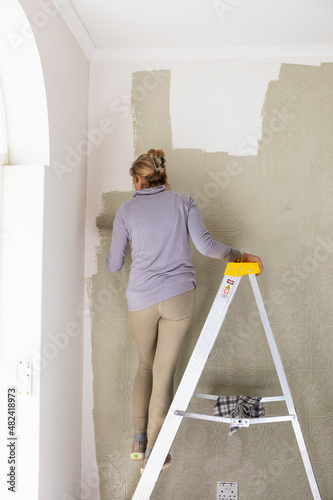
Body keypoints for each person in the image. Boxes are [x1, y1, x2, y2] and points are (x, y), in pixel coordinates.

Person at [105, 149, 263, 474]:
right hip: (178, 298)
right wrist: (240, 254)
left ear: (137, 179)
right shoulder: (185, 202)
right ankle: (155, 451)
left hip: (141, 301)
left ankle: (138, 441)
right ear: (162, 175)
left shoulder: (125, 210)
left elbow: (114, 264)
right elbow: (206, 247)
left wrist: (123, 235)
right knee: (164, 374)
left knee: (145, 366)